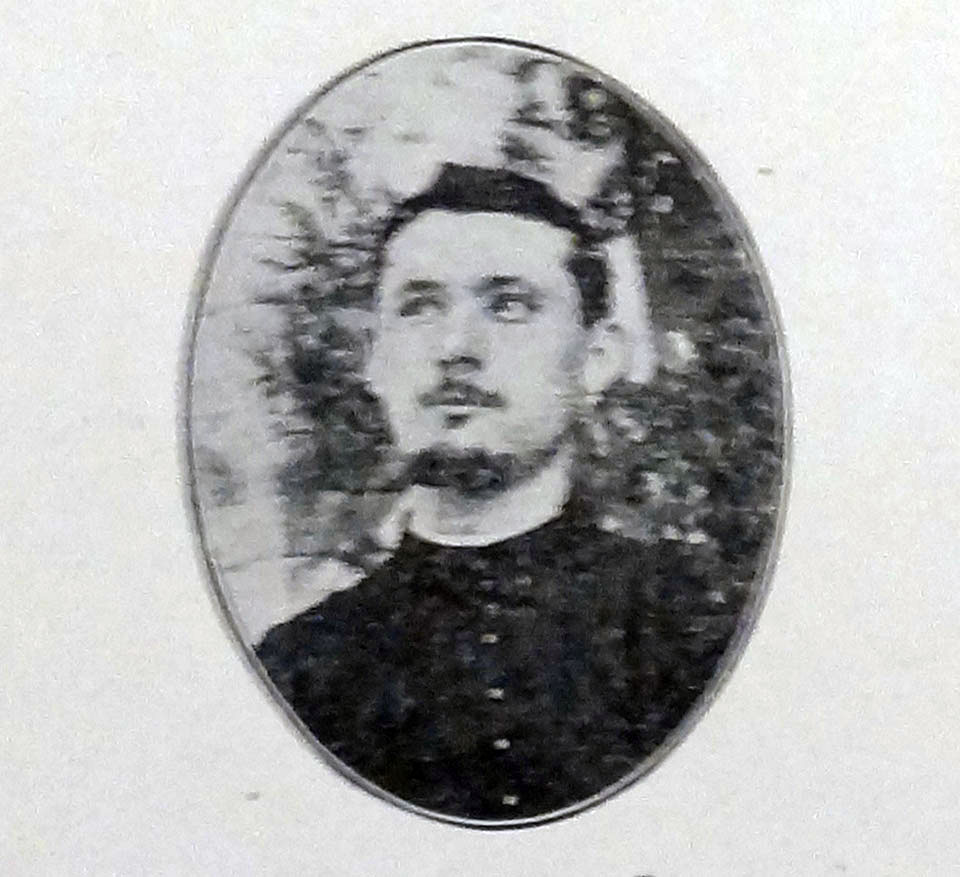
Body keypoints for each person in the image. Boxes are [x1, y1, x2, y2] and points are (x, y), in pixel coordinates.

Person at [255, 163, 714, 822]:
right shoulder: (298, 670)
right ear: (375, 361)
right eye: (420, 305)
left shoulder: (691, 630)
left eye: (508, 305)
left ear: (596, 360)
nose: (455, 347)